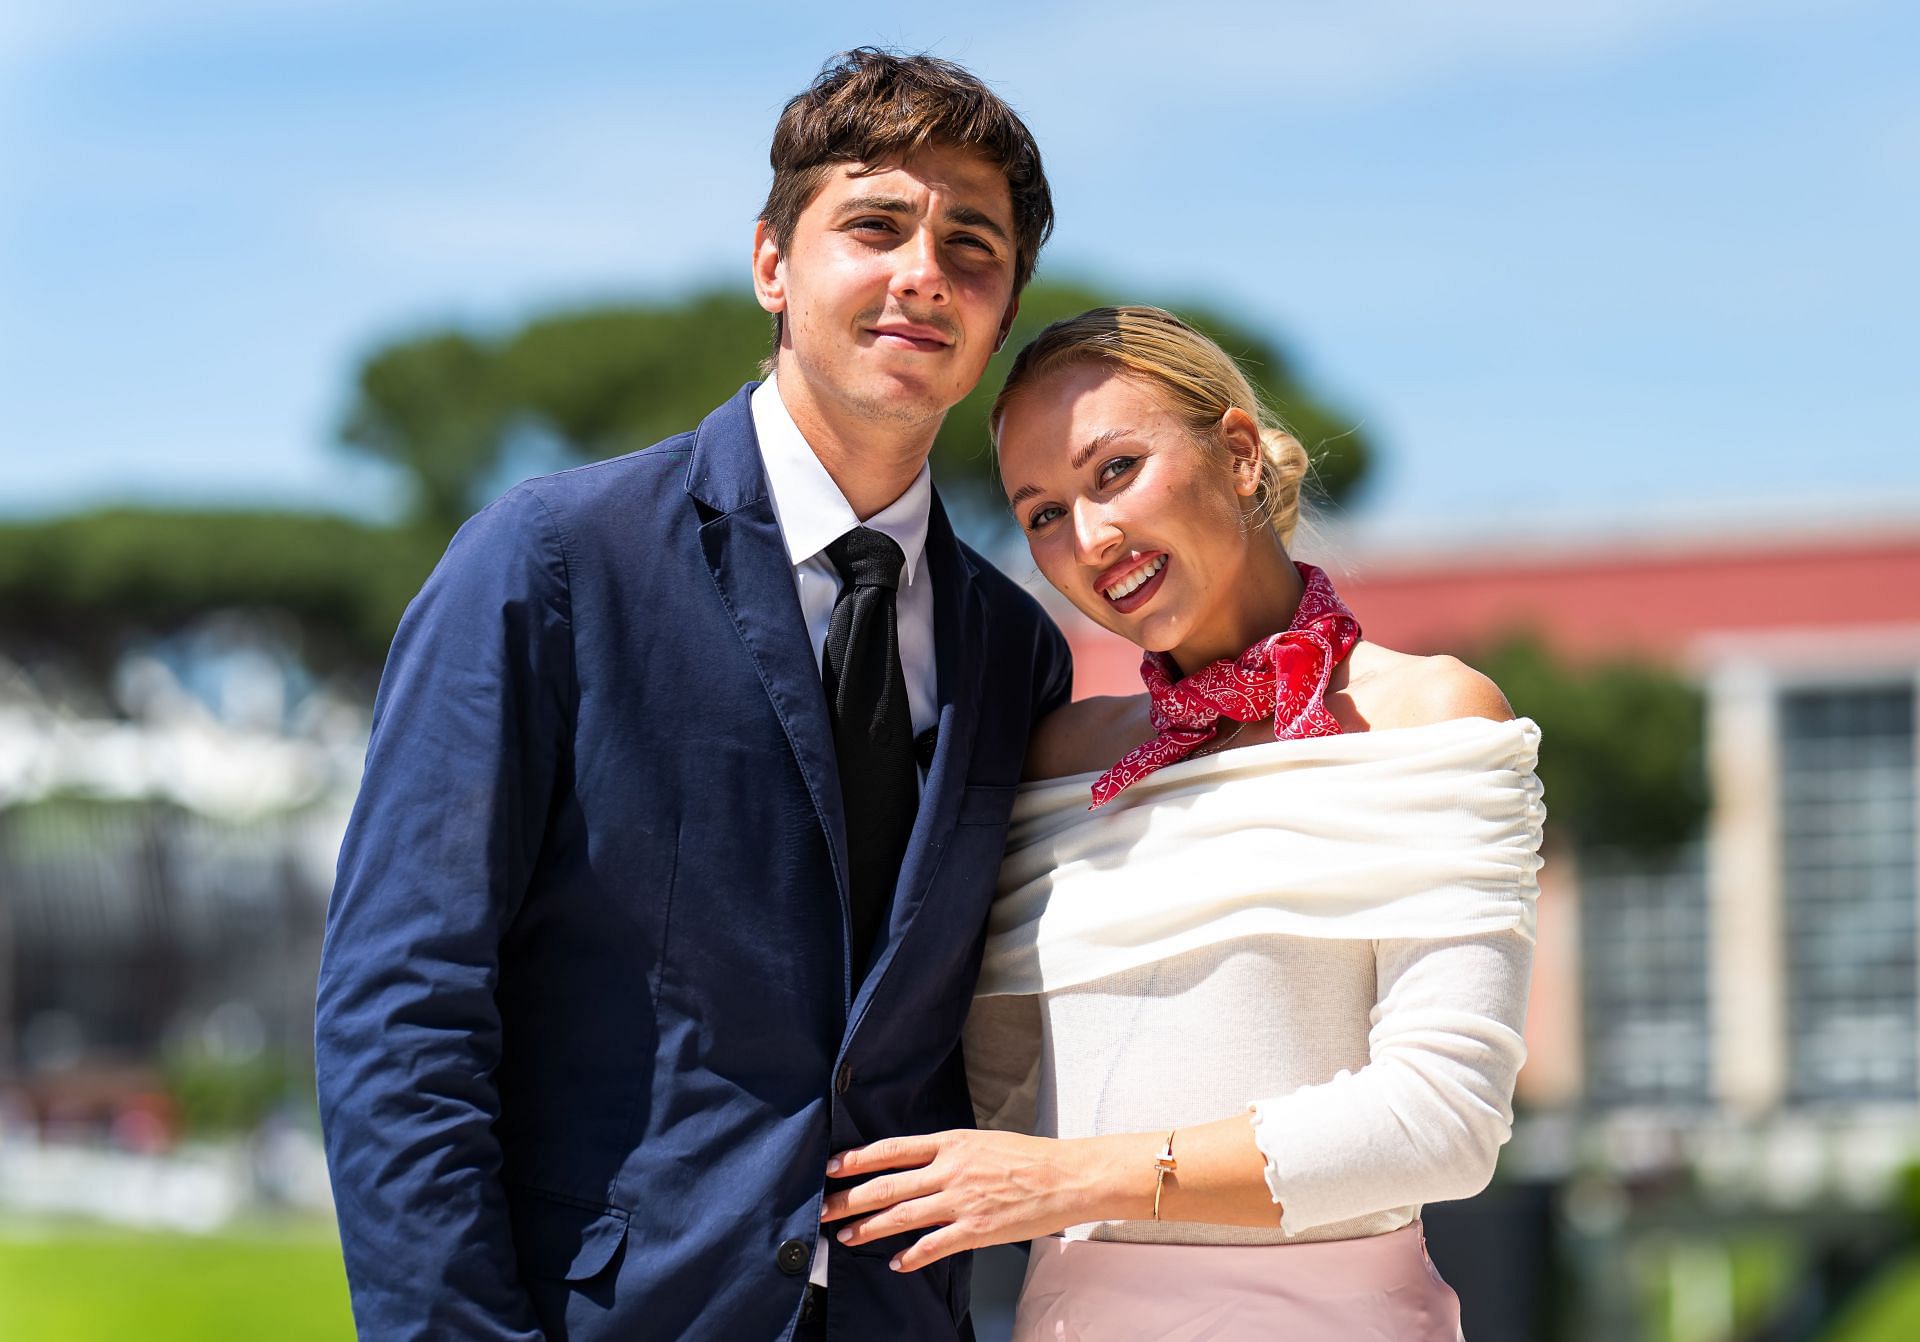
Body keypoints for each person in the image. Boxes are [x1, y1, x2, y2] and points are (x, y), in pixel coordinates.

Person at [313, 50, 1072, 1342]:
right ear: (774, 263)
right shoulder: (552, 557)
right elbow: (402, 1008)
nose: (923, 272)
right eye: (875, 225)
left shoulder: (1018, 647)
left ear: (1001, 316)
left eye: (973, 245)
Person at [819, 307, 1544, 1339]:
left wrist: (1073, 1177)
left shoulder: (1427, 717)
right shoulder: (1061, 759)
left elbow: (1443, 1122)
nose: (1089, 538)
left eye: (1113, 470)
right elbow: (988, 1102)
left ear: (1240, 453)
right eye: (1041, 515)